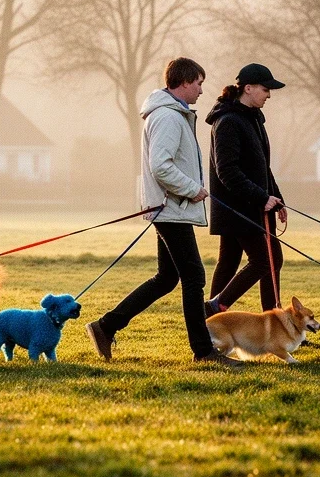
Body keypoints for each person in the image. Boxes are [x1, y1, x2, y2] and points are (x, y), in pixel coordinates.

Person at [85, 58, 242, 367]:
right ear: (183, 82)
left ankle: (106, 326)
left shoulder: (173, 114)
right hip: (172, 208)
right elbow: (161, 165)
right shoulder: (169, 117)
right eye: (198, 82)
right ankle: (204, 351)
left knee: (167, 278)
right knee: (194, 276)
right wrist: (192, 188)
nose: (200, 89)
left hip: (172, 207)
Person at [204, 63, 287, 316]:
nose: (269, 95)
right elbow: (226, 170)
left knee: (230, 263)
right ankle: (214, 309)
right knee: (266, 261)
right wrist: (262, 197)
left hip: (255, 204)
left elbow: (262, 166)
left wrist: (277, 199)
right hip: (239, 208)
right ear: (248, 88)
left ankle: (211, 321)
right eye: (265, 89)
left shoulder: (253, 120)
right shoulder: (228, 121)